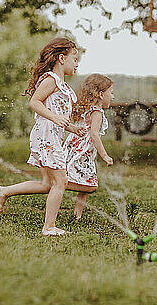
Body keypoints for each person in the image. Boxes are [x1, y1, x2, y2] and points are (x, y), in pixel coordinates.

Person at [0, 37, 84, 236]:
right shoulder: (51, 80)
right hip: (46, 136)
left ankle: (4, 191)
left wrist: (73, 129)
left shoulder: (61, 85)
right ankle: (49, 227)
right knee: (61, 182)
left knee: (47, 184)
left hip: (50, 135)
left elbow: (58, 115)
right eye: (74, 59)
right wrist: (55, 118)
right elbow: (35, 102)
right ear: (62, 58)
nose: (77, 64)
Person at [63, 74, 114, 220]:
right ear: (100, 94)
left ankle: (77, 216)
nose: (113, 96)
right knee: (90, 186)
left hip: (77, 149)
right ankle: (59, 186)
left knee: (87, 183)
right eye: (110, 93)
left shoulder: (88, 108)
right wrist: (104, 155)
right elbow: (94, 135)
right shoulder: (96, 112)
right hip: (81, 152)